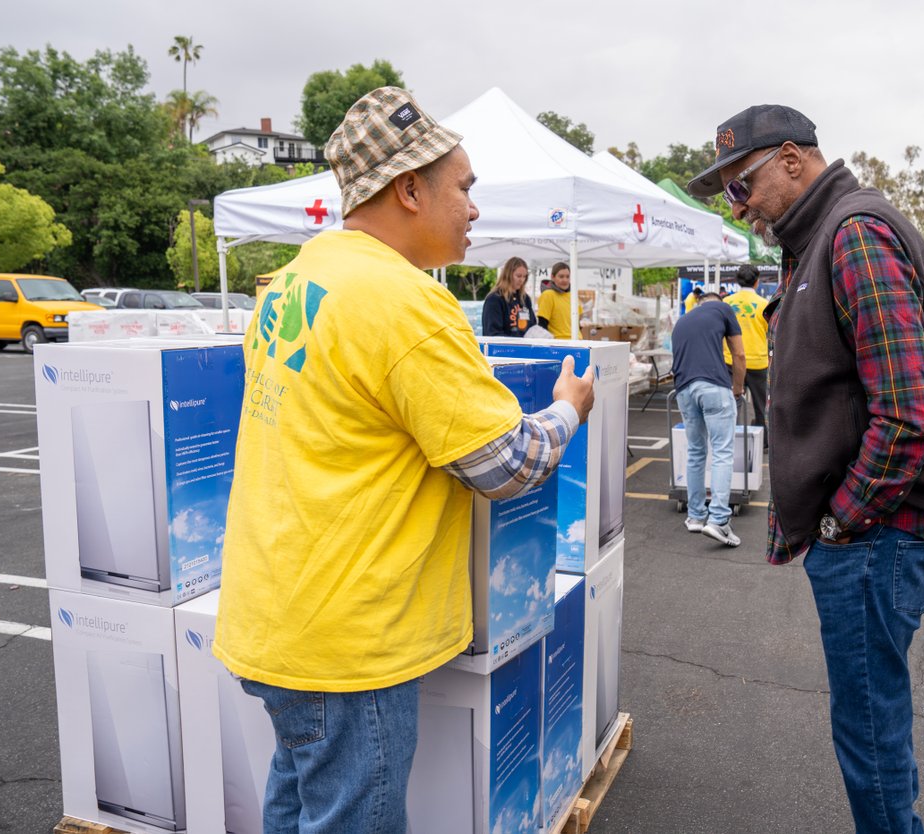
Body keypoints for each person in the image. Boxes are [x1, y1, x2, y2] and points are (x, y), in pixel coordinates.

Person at [213, 87, 595, 834]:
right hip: (350, 639)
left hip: (278, 614)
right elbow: (509, 463)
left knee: (296, 800)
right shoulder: (402, 301)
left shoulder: (296, 278)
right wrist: (569, 408)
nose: (474, 209)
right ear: (410, 190)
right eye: (465, 188)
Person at [689, 104, 924, 833]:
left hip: (876, 539)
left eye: (742, 186)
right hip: (871, 538)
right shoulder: (821, 237)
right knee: (875, 724)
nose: (738, 207)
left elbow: (906, 414)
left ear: (791, 159)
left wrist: (840, 523)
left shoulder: (854, 236)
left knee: (869, 735)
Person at [670, 291, 745, 546]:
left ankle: (695, 516)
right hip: (713, 385)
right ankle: (719, 520)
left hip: (683, 389)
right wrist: (738, 388)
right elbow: (739, 354)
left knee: (695, 451)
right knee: (722, 451)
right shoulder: (724, 309)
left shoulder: (682, 320)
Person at [724, 264, 769, 430]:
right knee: (762, 407)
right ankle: (764, 439)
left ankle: (731, 438)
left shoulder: (726, 303)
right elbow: (770, 332)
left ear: (737, 281)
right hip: (758, 361)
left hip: (731, 361)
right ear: (757, 281)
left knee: (731, 405)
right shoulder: (764, 304)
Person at [482, 256, 535, 337]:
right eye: (518, 276)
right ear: (508, 275)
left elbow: (532, 326)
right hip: (503, 344)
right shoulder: (494, 299)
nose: (522, 280)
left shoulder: (525, 298)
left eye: (524, 276)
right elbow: (492, 332)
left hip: (524, 344)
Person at [537, 261, 576, 338]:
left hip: (577, 340)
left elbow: (578, 324)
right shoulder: (548, 295)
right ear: (552, 277)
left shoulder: (573, 296)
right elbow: (542, 324)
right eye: (561, 276)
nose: (565, 280)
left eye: (567, 277)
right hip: (558, 342)